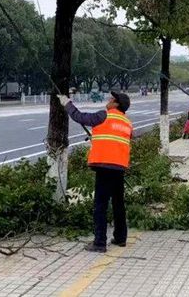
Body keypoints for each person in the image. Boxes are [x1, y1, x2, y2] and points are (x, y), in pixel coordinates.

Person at [58, 89, 132, 253]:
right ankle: (121, 238)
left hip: (104, 166)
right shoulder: (127, 122)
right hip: (119, 167)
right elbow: (116, 140)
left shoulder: (104, 116)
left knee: (100, 204)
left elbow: (80, 117)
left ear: (116, 104)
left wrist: (67, 104)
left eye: (111, 99)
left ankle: (99, 243)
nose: (108, 100)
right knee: (119, 203)